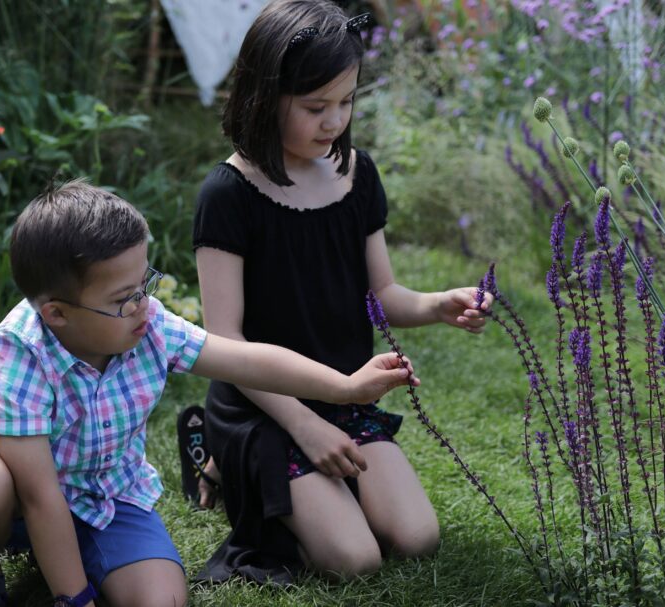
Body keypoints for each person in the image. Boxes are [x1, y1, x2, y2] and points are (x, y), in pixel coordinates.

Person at [0, 179, 417, 607]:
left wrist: (346, 386)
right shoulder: (19, 354)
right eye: (123, 298)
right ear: (57, 314)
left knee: (163, 599)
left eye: (144, 282)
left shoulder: (148, 323)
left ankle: (86, 555)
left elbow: (245, 359)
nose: (143, 304)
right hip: (20, 502)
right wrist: (76, 599)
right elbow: (42, 496)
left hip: (108, 496)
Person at [192, 0, 493, 584]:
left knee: (415, 537)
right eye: (315, 106)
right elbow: (224, 341)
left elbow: (382, 292)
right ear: (263, 96)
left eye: (346, 101)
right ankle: (229, 465)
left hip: (344, 395)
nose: (335, 121)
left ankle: (304, 491)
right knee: (355, 561)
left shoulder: (357, 174)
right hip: (265, 406)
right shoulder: (227, 195)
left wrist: (437, 305)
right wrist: (305, 427)